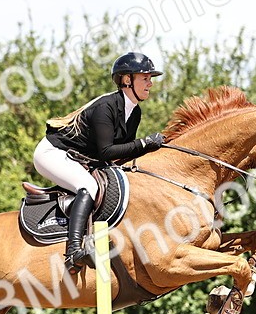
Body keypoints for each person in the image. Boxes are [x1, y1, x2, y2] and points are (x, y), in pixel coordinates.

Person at [34, 51, 166, 270]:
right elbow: (106, 152)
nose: (150, 83)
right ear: (127, 80)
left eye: (150, 78)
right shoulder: (106, 107)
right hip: (53, 153)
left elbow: (121, 155)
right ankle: (73, 252)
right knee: (88, 186)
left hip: (80, 158)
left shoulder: (134, 112)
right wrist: (144, 143)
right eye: (145, 78)